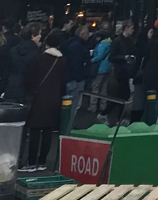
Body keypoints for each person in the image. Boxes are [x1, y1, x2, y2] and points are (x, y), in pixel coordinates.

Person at [22, 31, 67, 171]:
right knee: (48, 131)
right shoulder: (63, 60)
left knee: (35, 131)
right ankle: (42, 161)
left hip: (38, 98)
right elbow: (64, 81)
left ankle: (31, 161)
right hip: (54, 99)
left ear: (46, 43)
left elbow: (28, 78)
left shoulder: (38, 59)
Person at [3, 25, 42, 105]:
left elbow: (6, 72)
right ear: (32, 36)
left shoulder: (13, 50)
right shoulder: (36, 54)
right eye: (39, 34)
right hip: (26, 91)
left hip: (11, 87)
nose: (40, 36)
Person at [107, 21, 136, 125]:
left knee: (121, 96)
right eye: (131, 28)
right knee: (123, 95)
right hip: (120, 71)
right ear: (126, 28)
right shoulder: (118, 41)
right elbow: (111, 57)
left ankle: (113, 116)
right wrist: (124, 58)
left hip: (126, 70)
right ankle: (117, 117)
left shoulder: (129, 41)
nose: (133, 30)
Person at [62, 23, 92, 108]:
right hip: (75, 80)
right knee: (73, 105)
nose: (88, 35)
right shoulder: (78, 46)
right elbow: (75, 64)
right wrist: (80, 77)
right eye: (87, 33)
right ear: (82, 34)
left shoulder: (71, 43)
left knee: (68, 104)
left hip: (71, 78)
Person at [90, 32, 112, 119]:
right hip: (107, 68)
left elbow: (99, 56)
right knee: (104, 88)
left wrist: (91, 60)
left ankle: (93, 106)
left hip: (100, 68)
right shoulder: (110, 43)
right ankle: (103, 106)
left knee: (95, 87)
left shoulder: (102, 44)